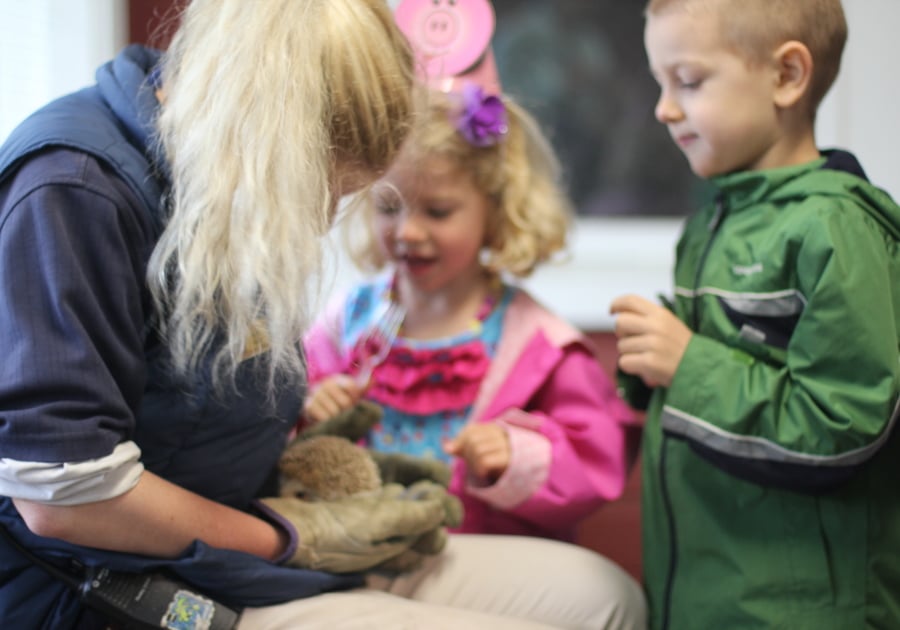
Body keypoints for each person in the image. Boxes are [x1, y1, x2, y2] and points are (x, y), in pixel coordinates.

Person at [0, 1, 645, 629]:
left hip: (246, 538)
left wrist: (306, 449)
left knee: (603, 598)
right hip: (119, 582)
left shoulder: (213, 164)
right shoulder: (73, 190)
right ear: (265, 126)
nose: (324, 218)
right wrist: (293, 536)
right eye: (320, 187)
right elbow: (64, 496)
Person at [610, 0, 900, 628]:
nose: (664, 107)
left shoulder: (836, 227)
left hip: (802, 612)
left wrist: (685, 365)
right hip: (702, 596)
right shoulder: (713, 219)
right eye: (661, 83)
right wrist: (649, 363)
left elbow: (843, 427)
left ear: (787, 77)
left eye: (687, 81)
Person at [303, 82, 642, 545]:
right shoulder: (346, 320)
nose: (407, 231)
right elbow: (284, 414)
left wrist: (515, 454)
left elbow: (596, 457)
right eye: (387, 207)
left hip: (483, 559)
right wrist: (310, 406)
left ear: (496, 213)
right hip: (360, 549)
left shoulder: (537, 343)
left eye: (438, 212)